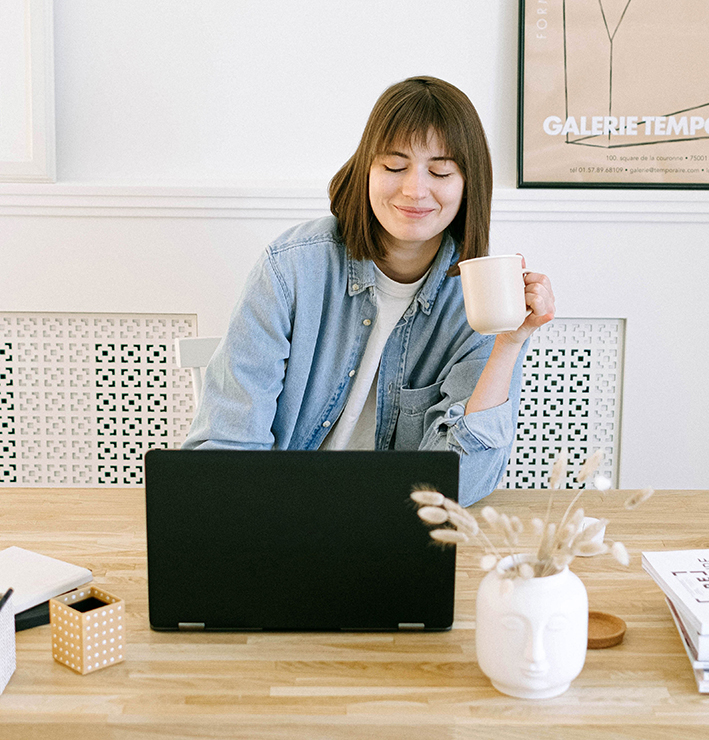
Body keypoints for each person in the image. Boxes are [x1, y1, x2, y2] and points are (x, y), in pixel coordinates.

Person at [182, 76, 555, 505]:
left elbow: (458, 486)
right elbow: (226, 451)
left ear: (469, 183)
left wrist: (508, 343)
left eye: (440, 170)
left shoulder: (483, 297)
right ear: (366, 170)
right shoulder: (291, 268)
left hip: (394, 528)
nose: (415, 190)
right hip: (278, 513)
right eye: (394, 166)